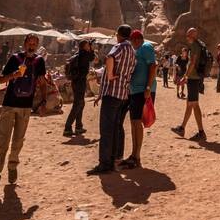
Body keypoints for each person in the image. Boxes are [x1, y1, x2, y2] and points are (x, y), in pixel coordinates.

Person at [0, 34, 44, 195]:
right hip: (9, 106)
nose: (32, 46)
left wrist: (44, 101)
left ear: (37, 45)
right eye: (29, 43)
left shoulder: (39, 61)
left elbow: (41, 81)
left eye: (35, 44)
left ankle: (12, 165)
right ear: (25, 44)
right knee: (2, 143)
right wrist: (14, 75)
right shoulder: (14, 58)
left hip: (26, 107)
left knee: (18, 141)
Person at [88, 26, 135, 175]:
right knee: (115, 129)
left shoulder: (119, 47)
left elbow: (109, 58)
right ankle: (112, 160)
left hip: (112, 94)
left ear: (119, 35)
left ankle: (104, 164)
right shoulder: (133, 51)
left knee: (106, 130)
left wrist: (109, 75)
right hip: (123, 95)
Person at [123, 30, 157, 170]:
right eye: (131, 40)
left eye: (133, 40)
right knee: (133, 122)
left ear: (138, 39)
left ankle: (136, 155)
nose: (132, 42)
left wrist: (148, 87)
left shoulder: (146, 47)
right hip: (134, 91)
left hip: (143, 91)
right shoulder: (136, 50)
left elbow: (153, 66)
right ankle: (134, 155)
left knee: (137, 123)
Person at [171, 28, 207, 141]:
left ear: (192, 36)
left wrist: (185, 76)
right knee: (191, 104)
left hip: (193, 78)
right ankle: (183, 128)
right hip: (195, 78)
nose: (187, 37)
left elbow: (192, 62)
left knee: (193, 104)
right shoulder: (199, 44)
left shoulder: (195, 46)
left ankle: (199, 132)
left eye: (188, 35)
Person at [63, 38, 93, 137]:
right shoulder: (84, 54)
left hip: (76, 81)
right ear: (85, 46)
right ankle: (67, 128)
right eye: (88, 45)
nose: (89, 47)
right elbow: (93, 57)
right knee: (78, 104)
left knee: (81, 103)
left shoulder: (78, 54)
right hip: (80, 82)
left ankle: (78, 127)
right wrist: (91, 48)